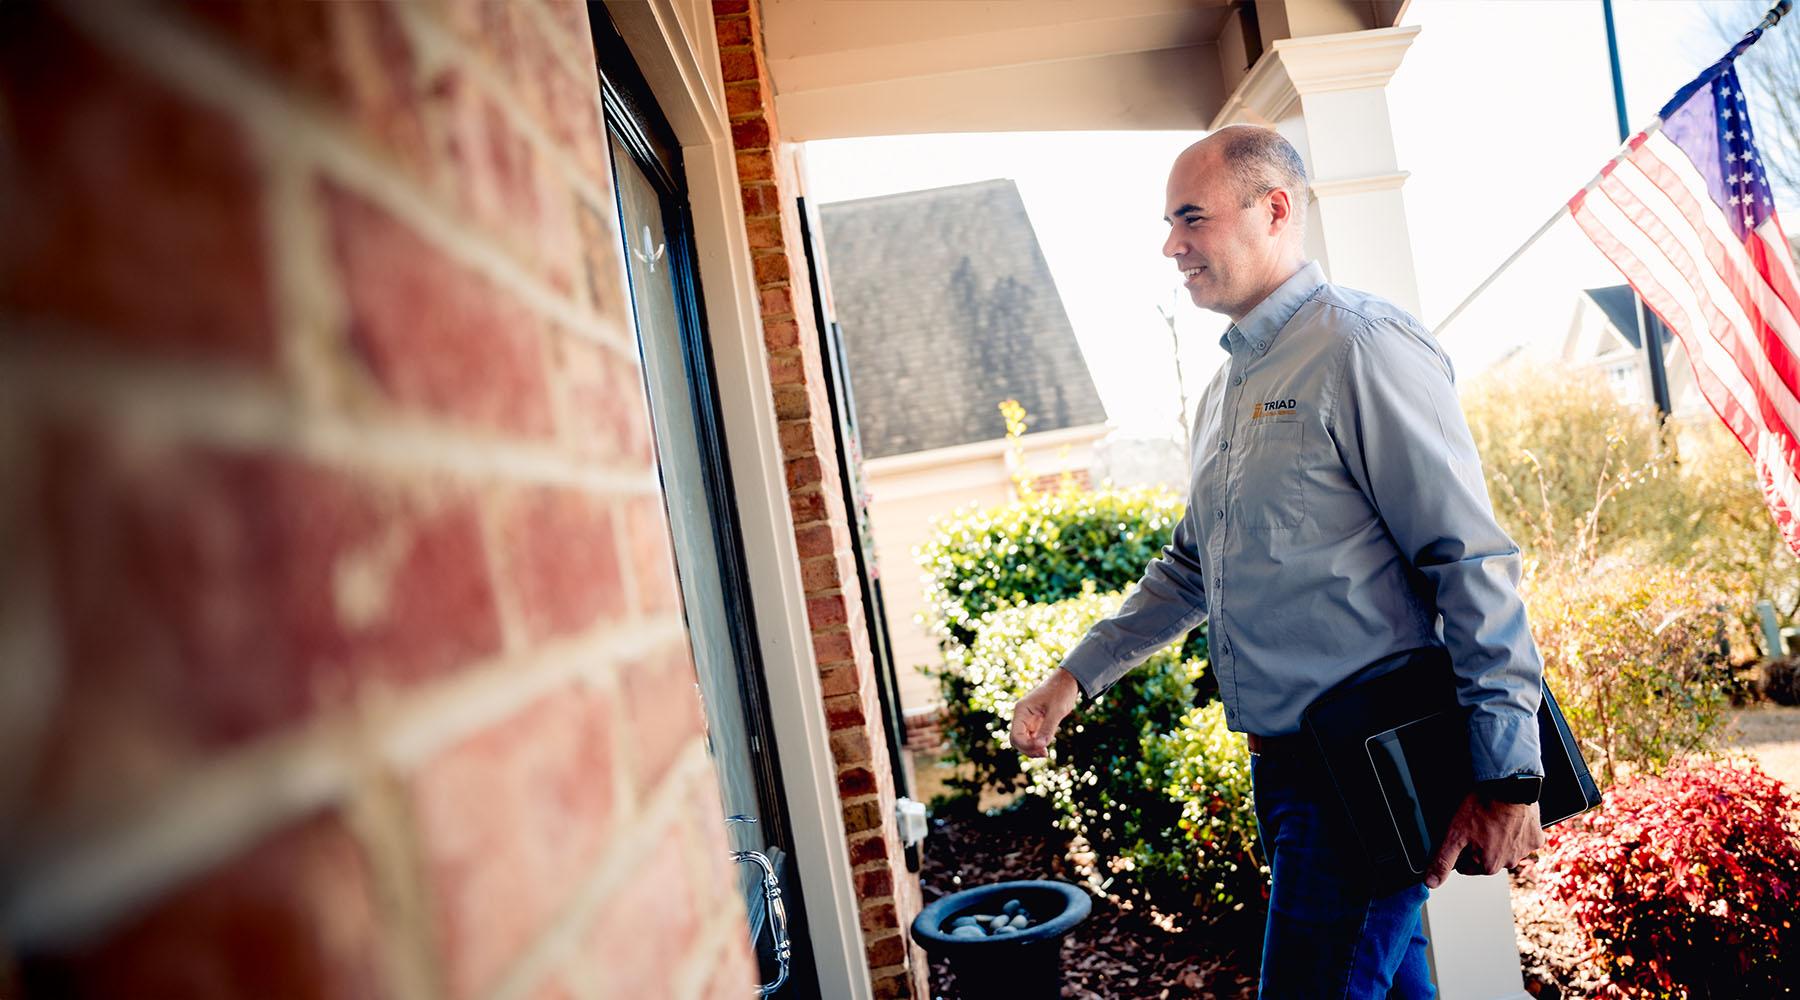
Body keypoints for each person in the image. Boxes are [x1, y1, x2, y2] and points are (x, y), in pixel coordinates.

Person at [1008, 125, 1547, 999]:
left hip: (1362, 775)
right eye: (1169, 223)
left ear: (1276, 210)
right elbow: (1192, 570)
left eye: (1192, 218)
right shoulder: (1224, 392)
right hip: (1289, 774)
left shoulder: (1362, 346)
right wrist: (1071, 680)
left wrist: (1509, 775)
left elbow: (1469, 559)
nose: (1171, 246)